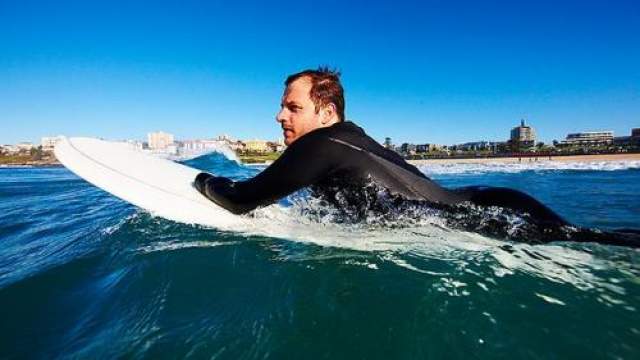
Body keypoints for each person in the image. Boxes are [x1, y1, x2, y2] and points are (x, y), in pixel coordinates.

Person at [195, 67, 639, 247]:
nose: (279, 116)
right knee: (598, 239)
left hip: (484, 217)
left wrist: (201, 181)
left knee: (600, 245)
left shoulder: (320, 143)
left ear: (326, 112)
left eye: (293, 107)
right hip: (491, 200)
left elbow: (241, 199)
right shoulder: (354, 138)